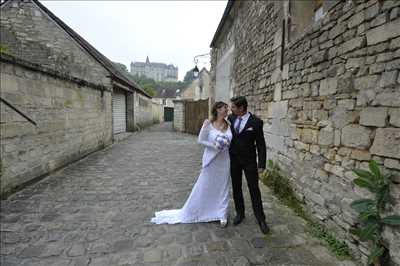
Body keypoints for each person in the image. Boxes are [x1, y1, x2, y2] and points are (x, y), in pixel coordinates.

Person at [151, 101, 232, 227]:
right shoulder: (208, 124)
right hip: (211, 160)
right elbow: (200, 140)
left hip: (224, 161)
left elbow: (230, 141)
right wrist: (215, 146)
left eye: (227, 108)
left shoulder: (229, 124)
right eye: (224, 108)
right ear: (217, 109)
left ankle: (222, 213)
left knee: (223, 186)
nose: (227, 110)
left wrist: (225, 145)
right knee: (205, 185)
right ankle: (203, 209)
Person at [228, 96, 270, 234]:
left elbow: (261, 145)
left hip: (250, 161)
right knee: (236, 187)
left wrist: (261, 164)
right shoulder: (230, 119)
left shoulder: (256, 122)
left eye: (233, 107)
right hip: (234, 160)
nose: (231, 109)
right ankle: (240, 213)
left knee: (254, 189)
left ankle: (261, 218)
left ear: (241, 108)